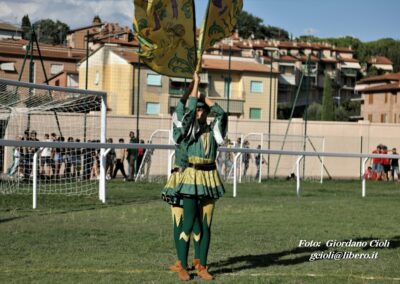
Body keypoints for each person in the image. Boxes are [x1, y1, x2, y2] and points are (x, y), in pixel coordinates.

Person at [175, 75, 228, 281]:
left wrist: (204, 96)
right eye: (195, 109)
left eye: (200, 109)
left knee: (205, 226)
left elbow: (222, 113)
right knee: (188, 224)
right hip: (191, 178)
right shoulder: (189, 127)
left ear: (206, 111)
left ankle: (202, 265)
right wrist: (194, 86)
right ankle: (182, 265)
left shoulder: (214, 130)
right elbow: (186, 113)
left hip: (210, 178)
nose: (197, 112)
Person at [161, 76, 202, 280]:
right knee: (184, 221)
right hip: (183, 178)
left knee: (184, 221)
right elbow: (191, 108)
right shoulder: (184, 126)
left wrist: (190, 88)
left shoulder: (178, 119)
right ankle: (183, 263)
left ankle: (187, 262)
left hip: (183, 177)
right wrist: (196, 84)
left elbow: (182, 104)